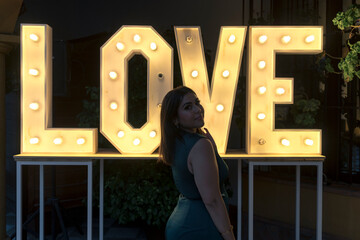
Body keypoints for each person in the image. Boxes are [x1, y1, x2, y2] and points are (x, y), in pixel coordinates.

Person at [158, 86, 235, 240]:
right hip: (200, 226)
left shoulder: (178, 142)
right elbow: (212, 200)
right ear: (174, 119)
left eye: (197, 103)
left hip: (184, 222)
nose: (197, 109)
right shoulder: (200, 145)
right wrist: (228, 234)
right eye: (188, 107)